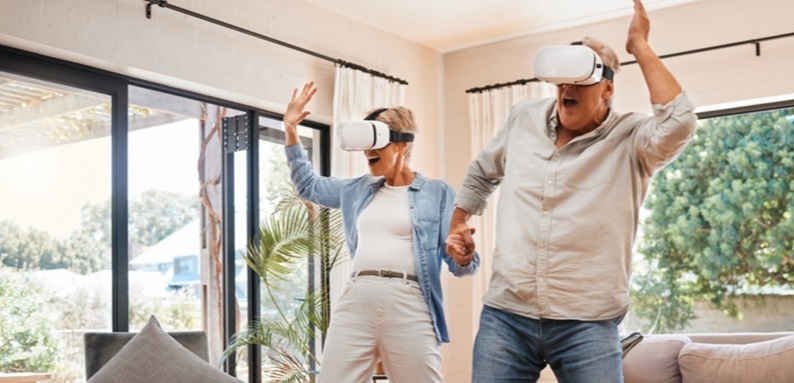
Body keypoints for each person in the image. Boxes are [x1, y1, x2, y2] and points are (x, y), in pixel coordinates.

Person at [445, 1, 698, 382]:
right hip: (507, 316)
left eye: (581, 77)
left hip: (588, 322)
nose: (568, 87)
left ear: (608, 88)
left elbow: (680, 122)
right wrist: (459, 222)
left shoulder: (632, 139)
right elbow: (482, 172)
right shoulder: (523, 118)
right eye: (563, 76)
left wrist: (639, 46)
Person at [283, 81, 480, 383]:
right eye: (365, 144)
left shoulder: (438, 193)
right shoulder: (356, 190)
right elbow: (309, 185)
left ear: (402, 145)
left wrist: (464, 256)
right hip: (357, 298)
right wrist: (291, 130)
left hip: (410, 301)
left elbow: (460, 265)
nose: (367, 152)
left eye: (376, 142)